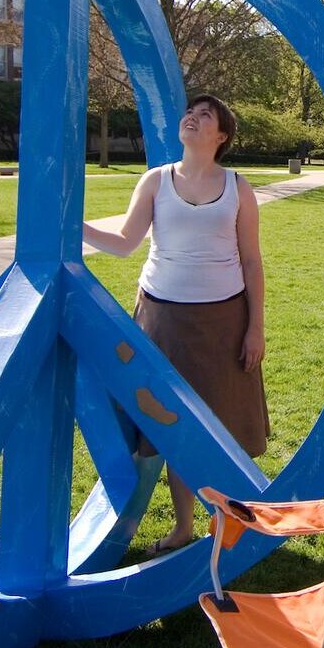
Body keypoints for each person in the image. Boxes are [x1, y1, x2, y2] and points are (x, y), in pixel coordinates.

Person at [82, 94, 268, 555]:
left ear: (221, 136)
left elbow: (251, 260)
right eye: (191, 111)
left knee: (218, 426)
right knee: (169, 426)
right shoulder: (155, 181)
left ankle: (227, 520)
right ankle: (184, 527)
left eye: (206, 115)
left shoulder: (238, 188)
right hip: (160, 319)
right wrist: (73, 226)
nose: (193, 117)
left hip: (223, 322)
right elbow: (126, 242)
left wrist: (255, 327)